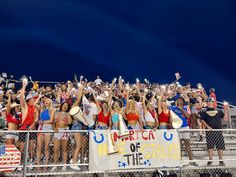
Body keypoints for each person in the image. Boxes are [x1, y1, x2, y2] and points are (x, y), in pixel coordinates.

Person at [199, 97, 229, 166]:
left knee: (220, 146)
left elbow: (225, 119)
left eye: (210, 101)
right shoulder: (204, 111)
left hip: (218, 131)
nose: (209, 102)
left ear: (213, 102)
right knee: (210, 146)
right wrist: (207, 126)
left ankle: (221, 160)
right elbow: (202, 120)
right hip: (209, 131)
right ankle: (210, 160)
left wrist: (226, 111)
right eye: (207, 101)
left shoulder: (218, 110)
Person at [170, 97, 197, 166]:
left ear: (183, 102)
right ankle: (180, 160)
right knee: (179, 145)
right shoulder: (173, 108)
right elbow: (170, 118)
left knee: (187, 143)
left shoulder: (185, 108)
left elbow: (188, 116)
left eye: (180, 100)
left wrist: (181, 109)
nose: (179, 101)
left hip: (185, 126)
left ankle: (191, 160)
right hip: (177, 128)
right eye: (178, 100)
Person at [19, 82, 39, 169]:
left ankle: (31, 161)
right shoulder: (24, 106)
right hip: (24, 127)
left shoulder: (33, 107)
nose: (34, 100)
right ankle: (20, 163)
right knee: (22, 147)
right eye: (32, 99)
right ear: (28, 100)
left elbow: (36, 118)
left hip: (31, 128)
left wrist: (34, 123)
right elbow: (21, 97)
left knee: (32, 146)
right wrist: (23, 87)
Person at [51, 102, 72, 172]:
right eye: (64, 105)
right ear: (61, 106)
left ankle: (65, 164)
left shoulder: (68, 114)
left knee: (64, 149)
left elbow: (69, 123)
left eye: (67, 105)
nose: (65, 106)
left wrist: (69, 114)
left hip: (65, 131)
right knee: (55, 149)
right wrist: (54, 128)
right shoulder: (57, 113)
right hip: (57, 131)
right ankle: (55, 164)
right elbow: (53, 123)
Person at [36, 96, 55, 170]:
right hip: (40, 128)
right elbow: (34, 104)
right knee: (38, 147)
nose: (46, 101)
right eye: (45, 100)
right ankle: (37, 166)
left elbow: (51, 121)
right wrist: (39, 97)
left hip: (48, 128)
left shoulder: (52, 110)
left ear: (50, 102)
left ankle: (46, 166)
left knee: (46, 148)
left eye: (48, 100)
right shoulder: (41, 109)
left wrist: (42, 122)